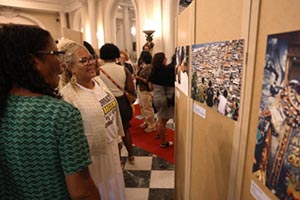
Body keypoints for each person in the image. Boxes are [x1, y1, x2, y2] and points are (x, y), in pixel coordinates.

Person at [0, 24, 100, 200]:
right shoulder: (60, 114)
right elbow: (82, 193)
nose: (62, 67)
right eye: (56, 54)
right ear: (34, 61)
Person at [58, 39, 125, 200]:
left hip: (111, 149)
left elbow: (112, 111)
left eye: (91, 58)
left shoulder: (98, 81)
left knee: (115, 187)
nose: (91, 63)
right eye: (84, 60)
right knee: (101, 190)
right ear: (70, 67)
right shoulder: (68, 96)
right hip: (92, 158)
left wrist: (117, 136)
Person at [99, 43, 135, 164]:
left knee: (112, 133)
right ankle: (131, 155)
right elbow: (131, 88)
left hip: (106, 105)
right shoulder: (123, 69)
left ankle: (117, 160)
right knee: (125, 129)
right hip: (122, 103)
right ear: (116, 54)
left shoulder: (99, 71)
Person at [149, 52, 175, 148]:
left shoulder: (153, 71)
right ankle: (163, 142)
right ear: (162, 60)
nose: (166, 59)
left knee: (160, 118)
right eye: (165, 58)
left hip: (156, 97)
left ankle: (159, 134)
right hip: (165, 99)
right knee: (163, 121)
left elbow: (150, 86)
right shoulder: (167, 71)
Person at [135, 51, 156, 132]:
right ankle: (146, 121)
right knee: (142, 106)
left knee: (147, 107)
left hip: (146, 90)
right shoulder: (142, 66)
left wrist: (138, 77)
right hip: (140, 88)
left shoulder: (150, 67)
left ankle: (152, 125)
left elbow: (148, 80)